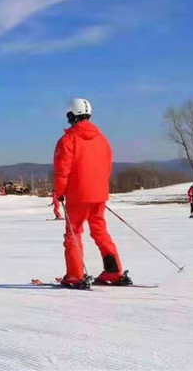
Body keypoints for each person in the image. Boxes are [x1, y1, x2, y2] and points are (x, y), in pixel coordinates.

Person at [53, 98, 129, 288]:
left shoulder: (68, 140)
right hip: (99, 195)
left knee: (73, 233)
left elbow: (63, 171)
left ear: (71, 115)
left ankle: (74, 275)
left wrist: (59, 193)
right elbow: (107, 167)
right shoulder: (102, 139)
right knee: (100, 231)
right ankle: (113, 271)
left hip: (78, 196)